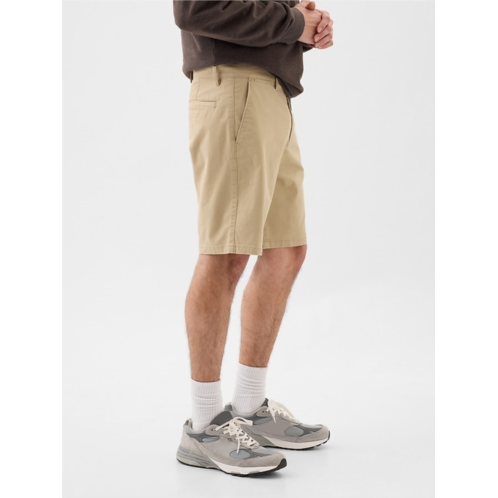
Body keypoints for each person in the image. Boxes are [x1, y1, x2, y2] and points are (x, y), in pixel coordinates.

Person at [173, 0, 334, 476]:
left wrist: (307, 26)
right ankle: (204, 424)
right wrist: (295, 22)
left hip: (271, 92)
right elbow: (195, 9)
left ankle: (247, 407)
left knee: (285, 250)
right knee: (226, 253)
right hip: (234, 87)